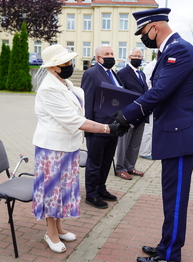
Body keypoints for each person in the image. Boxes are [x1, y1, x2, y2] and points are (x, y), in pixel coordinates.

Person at [114, 8, 193, 262]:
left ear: (155, 27)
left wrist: (127, 115)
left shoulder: (178, 50)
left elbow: (159, 93)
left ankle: (169, 256)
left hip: (180, 137)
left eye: (144, 32)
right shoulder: (170, 50)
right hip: (176, 136)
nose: (144, 38)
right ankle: (166, 245)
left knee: (175, 199)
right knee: (171, 197)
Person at [32, 44, 125, 254]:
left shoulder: (64, 83)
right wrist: (107, 128)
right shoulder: (49, 89)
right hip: (52, 149)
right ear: (52, 66)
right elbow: (73, 120)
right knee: (52, 192)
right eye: (64, 62)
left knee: (64, 189)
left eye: (69, 61)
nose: (69, 65)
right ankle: (50, 232)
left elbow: (83, 102)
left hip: (68, 146)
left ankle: (58, 226)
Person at [81, 44, 124, 209]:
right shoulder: (91, 73)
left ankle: (101, 188)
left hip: (114, 126)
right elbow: (87, 101)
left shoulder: (113, 73)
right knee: (95, 162)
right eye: (107, 53)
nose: (111, 56)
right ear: (98, 58)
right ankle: (91, 195)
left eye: (112, 53)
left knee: (107, 161)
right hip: (97, 127)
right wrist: (88, 128)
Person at [115, 47, 148, 180]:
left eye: (140, 57)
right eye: (135, 56)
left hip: (141, 113)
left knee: (135, 143)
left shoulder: (142, 74)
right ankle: (120, 168)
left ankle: (130, 166)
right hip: (128, 113)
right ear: (129, 57)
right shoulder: (122, 73)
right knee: (124, 142)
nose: (138, 59)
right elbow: (121, 93)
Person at [139, 51, 158, 160]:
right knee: (148, 128)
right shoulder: (150, 67)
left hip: (155, 101)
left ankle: (150, 149)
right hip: (150, 100)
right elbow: (146, 85)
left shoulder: (158, 65)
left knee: (153, 128)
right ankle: (144, 151)